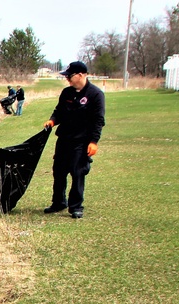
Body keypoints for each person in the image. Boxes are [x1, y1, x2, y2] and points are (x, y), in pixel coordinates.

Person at [43, 61, 106, 219]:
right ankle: (59, 202)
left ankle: (76, 206)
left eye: (70, 76)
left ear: (81, 75)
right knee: (59, 172)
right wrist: (52, 121)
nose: (68, 80)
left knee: (78, 173)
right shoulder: (66, 93)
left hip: (81, 141)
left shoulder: (96, 95)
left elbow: (98, 120)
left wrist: (94, 141)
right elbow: (59, 112)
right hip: (64, 138)